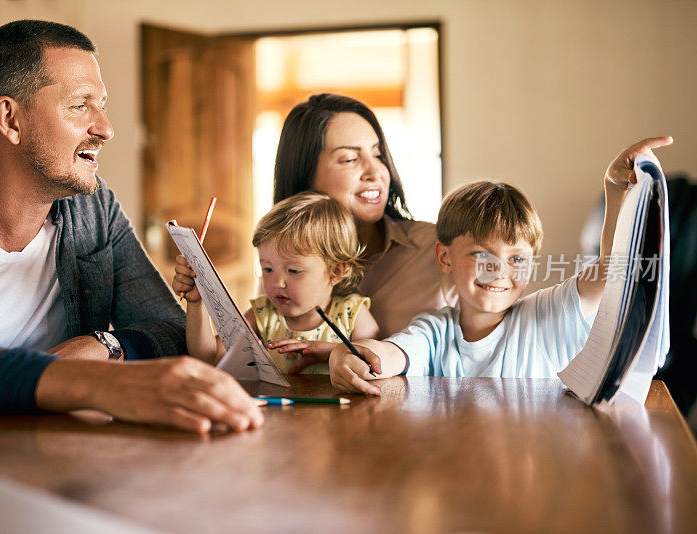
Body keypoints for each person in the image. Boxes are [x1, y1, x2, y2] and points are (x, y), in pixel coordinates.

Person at [0, 20, 262, 433]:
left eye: (101, 104)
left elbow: (171, 330)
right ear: (10, 119)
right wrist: (96, 383)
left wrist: (101, 346)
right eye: (79, 105)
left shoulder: (95, 209)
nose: (105, 128)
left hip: (60, 465)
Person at [328, 138, 673, 395]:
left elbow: (611, 268)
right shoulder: (433, 332)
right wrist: (352, 355)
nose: (500, 271)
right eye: (481, 255)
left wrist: (614, 190)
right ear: (444, 258)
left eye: (517, 259)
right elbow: (391, 353)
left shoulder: (547, 316)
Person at [273, 93, 457, 338]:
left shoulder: (440, 249)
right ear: (304, 176)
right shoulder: (279, 264)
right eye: (349, 159)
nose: (375, 172)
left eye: (378, 155)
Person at [173, 192, 379, 373]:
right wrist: (197, 304)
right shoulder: (263, 315)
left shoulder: (353, 314)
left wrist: (332, 352)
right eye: (267, 269)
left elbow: (374, 365)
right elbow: (209, 358)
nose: (277, 282)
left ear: (336, 270)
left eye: (293, 270)